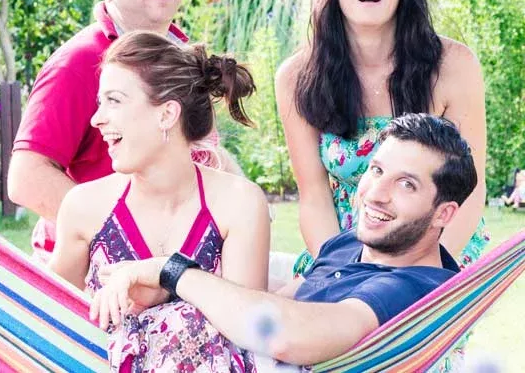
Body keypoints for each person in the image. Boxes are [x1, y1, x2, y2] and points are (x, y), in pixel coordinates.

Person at [91, 114, 476, 368]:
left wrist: (173, 272)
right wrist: (169, 292)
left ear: (444, 213)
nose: (376, 193)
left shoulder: (417, 291)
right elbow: (282, 301)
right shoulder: (350, 244)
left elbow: (283, 334)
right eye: (376, 170)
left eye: (406, 184)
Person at [9, 0, 239, 263]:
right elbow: (27, 178)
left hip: (176, 267)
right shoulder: (80, 61)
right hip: (94, 279)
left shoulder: (178, 52)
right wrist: (125, 243)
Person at [274, 0, 488, 276]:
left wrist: (420, 275)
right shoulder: (297, 77)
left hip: (437, 251)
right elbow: (314, 198)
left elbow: (471, 188)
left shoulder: (454, 65)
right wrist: (344, 273)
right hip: (344, 251)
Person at [50, 31, 270, 371]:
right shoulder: (84, 207)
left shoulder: (237, 203)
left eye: (114, 101)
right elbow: (49, 320)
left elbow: (247, 327)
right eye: (99, 102)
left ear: (166, 114)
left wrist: (164, 285)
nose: (97, 118)